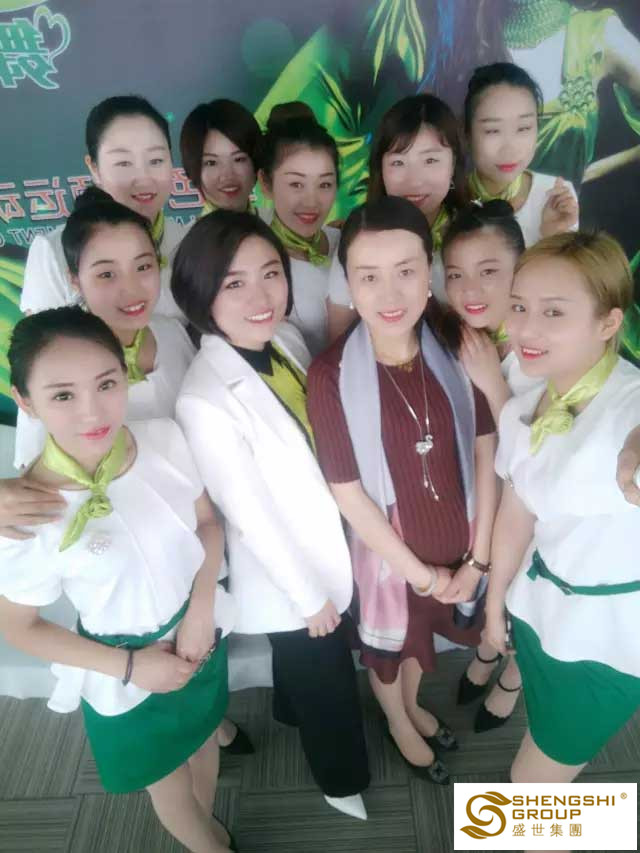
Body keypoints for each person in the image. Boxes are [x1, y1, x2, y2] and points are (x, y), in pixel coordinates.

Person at [12, 188, 251, 756]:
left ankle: (207, 716)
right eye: (106, 273)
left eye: (144, 267)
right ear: (74, 280)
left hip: (197, 520)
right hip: (123, 554)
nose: (131, 288)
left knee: (200, 631)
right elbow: (28, 476)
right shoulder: (53, 366)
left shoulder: (171, 333)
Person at [0, 308, 235, 853]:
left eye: (106, 384)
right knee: (165, 781)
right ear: (26, 401)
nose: (92, 411)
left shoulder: (164, 439)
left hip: (199, 634)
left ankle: (211, 821)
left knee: (203, 737)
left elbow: (206, 523)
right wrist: (132, 667)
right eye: (63, 395)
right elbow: (19, 627)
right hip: (122, 670)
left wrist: (201, 611)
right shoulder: (26, 514)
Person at [171, 209, 370, 820]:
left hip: (326, 537)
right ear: (202, 295)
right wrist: (309, 597)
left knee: (303, 669)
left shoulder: (280, 339)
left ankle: (287, 708)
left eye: (270, 274)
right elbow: (249, 517)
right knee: (329, 679)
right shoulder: (204, 398)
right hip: (290, 573)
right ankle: (341, 781)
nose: (261, 297)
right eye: (234, 283)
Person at [307, 196, 497, 784]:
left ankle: (412, 706)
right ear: (348, 284)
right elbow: (348, 494)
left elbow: (487, 449)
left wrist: (477, 560)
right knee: (390, 652)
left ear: (428, 270)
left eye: (406, 271)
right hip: (392, 561)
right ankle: (398, 719)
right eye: (369, 277)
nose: (390, 294)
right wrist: (421, 575)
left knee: (422, 643)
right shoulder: (331, 375)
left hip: (462, 550)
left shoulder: (457, 343)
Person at [484, 231, 640, 788]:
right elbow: (517, 509)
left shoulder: (629, 405)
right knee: (541, 749)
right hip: (538, 611)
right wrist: (495, 602)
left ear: (608, 323)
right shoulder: (523, 404)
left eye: (553, 312)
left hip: (608, 644)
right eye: (519, 306)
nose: (525, 329)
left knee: (530, 786)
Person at [441, 200, 539, 732]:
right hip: (488, 505)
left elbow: (542, 461)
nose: (470, 290)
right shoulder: (457, 335)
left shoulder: (542, 345)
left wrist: (494, 385)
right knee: (497, 589)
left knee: (527, 595)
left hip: (538, 513)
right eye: (456, 274)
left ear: (520, 271)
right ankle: (485, 650)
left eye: (488, 272)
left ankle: (514, 678)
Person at [20, 95, 186, 323]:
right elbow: (40, 341)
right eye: (123, 163)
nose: (144, 179)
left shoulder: (187, 242)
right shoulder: (54, 251)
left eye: (156, 160)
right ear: (94, 168)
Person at [327, 93, 468, 341]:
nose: (414, 180)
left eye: (430, 160)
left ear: (453, 162)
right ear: (380, 168)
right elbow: (338, 342)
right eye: (398, 162)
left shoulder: (474, 236)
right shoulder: (358, 241)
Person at [465, 62, 579, 247]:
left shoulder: (557, 197)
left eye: (524, 128)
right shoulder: (448, 201)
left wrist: (550, 237)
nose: (509, 149)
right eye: (493, 130)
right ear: (467, 134)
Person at [257, 111, 340, 355]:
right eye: (296, 184)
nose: (311, 202)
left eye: (324, 184)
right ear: (266, 183)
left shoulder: (346, 243)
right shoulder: (257, 264)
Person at [180, 99, 261, 215]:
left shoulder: (274, 224)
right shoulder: (190, 229)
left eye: (239, 159)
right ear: (193, 169)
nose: (227, 176)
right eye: (211, 163)